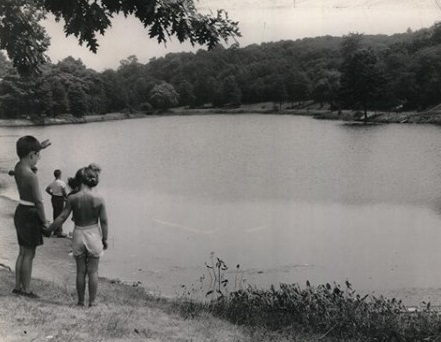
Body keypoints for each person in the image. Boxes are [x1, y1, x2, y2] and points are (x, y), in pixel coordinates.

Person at [49, 164, 108, 307]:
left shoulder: (73, 198)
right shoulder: (99, 198)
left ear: (78, 180)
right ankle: (92, 302)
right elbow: (104, 221)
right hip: (93, 233)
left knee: (80, 271)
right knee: (93, 272)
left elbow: (63, 217)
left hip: (78, 233)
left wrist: (49, 229)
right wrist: (105, 238)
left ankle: (81, 301)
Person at [12, 135, 51, 298]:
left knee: (22, 252)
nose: (38, 159)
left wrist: (39, 147)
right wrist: (44, 221)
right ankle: (26, 290)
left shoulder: (18, 167)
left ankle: (18, 286)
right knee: (30, 254)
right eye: (37, 156)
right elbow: (39, 202)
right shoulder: (31, 175)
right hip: (30, 214)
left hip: (20, 210)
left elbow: (27, 156)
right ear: (31, 155)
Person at [45, 169, 67, 237]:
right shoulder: (62, 183)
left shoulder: (53, 182)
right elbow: (64, 192)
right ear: (60, 175)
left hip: (54, 198)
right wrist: (66, 197)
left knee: (55, 213)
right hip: (60, 198)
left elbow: (47, 189)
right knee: (60, 214)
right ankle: (59, 231)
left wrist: (52, 194)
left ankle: (55, 230)